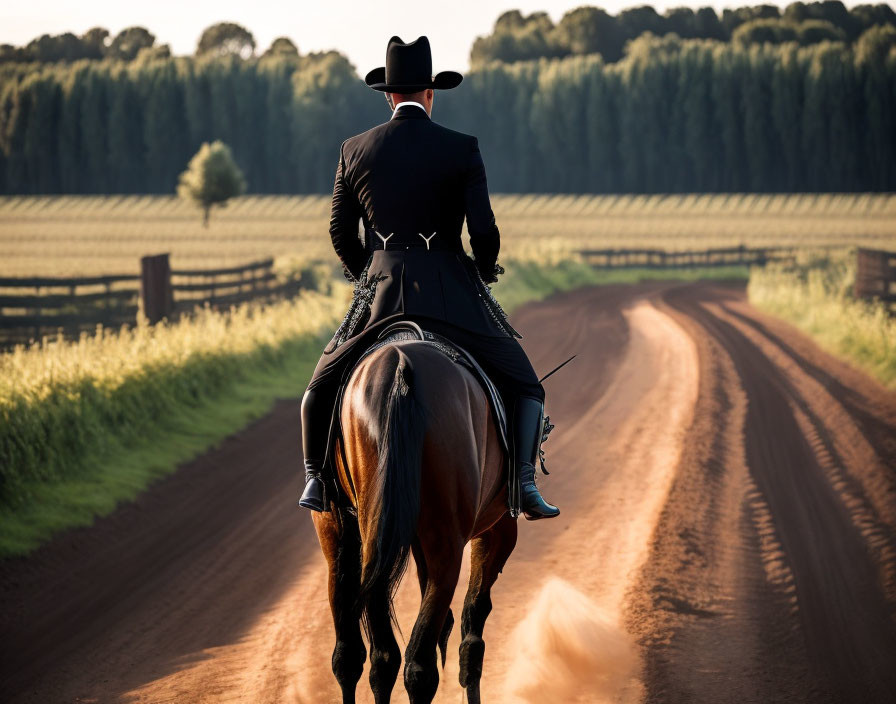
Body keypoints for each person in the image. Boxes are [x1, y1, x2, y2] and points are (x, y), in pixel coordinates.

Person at [298, 35, 559, 520]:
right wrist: (482, 271)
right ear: (431, 94)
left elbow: (339, 232)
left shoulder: (354, 150)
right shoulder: (462, 148)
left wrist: (369, 278)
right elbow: (483, 230)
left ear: (389, 95)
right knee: (527, 386)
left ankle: (316, 478)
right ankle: (524, 484)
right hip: (450, 295)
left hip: (378, 298)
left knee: (320, 385)